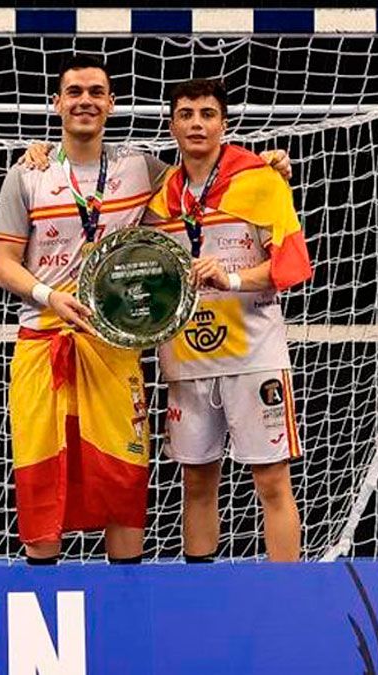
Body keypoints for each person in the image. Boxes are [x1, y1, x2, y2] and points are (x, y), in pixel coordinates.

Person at [0, 56, 289, 565]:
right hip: (44, 343)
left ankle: (125, 604)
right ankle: (42, 599)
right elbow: (3, 264)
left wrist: (266, 165)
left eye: (96, 92)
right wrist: (48, 296)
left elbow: (205, 177)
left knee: (122, 480)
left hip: (115, 350)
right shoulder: (28, 174)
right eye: (74, 92)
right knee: (43, 476)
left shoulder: (141, 169)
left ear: (110, 104)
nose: (85, 100)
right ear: (57, 103)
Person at [145, 78, 313, 562]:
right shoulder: (159, 198)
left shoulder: (261, 180)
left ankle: (286, 597)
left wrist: (232, 280)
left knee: (272, 480)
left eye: (207, 114)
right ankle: (200, 593)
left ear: (224, 123)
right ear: (172, 123)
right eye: (186, 114)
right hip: (185, 357)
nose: (197, 123)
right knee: (195, 480)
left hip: (253, 355)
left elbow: (289, 265)